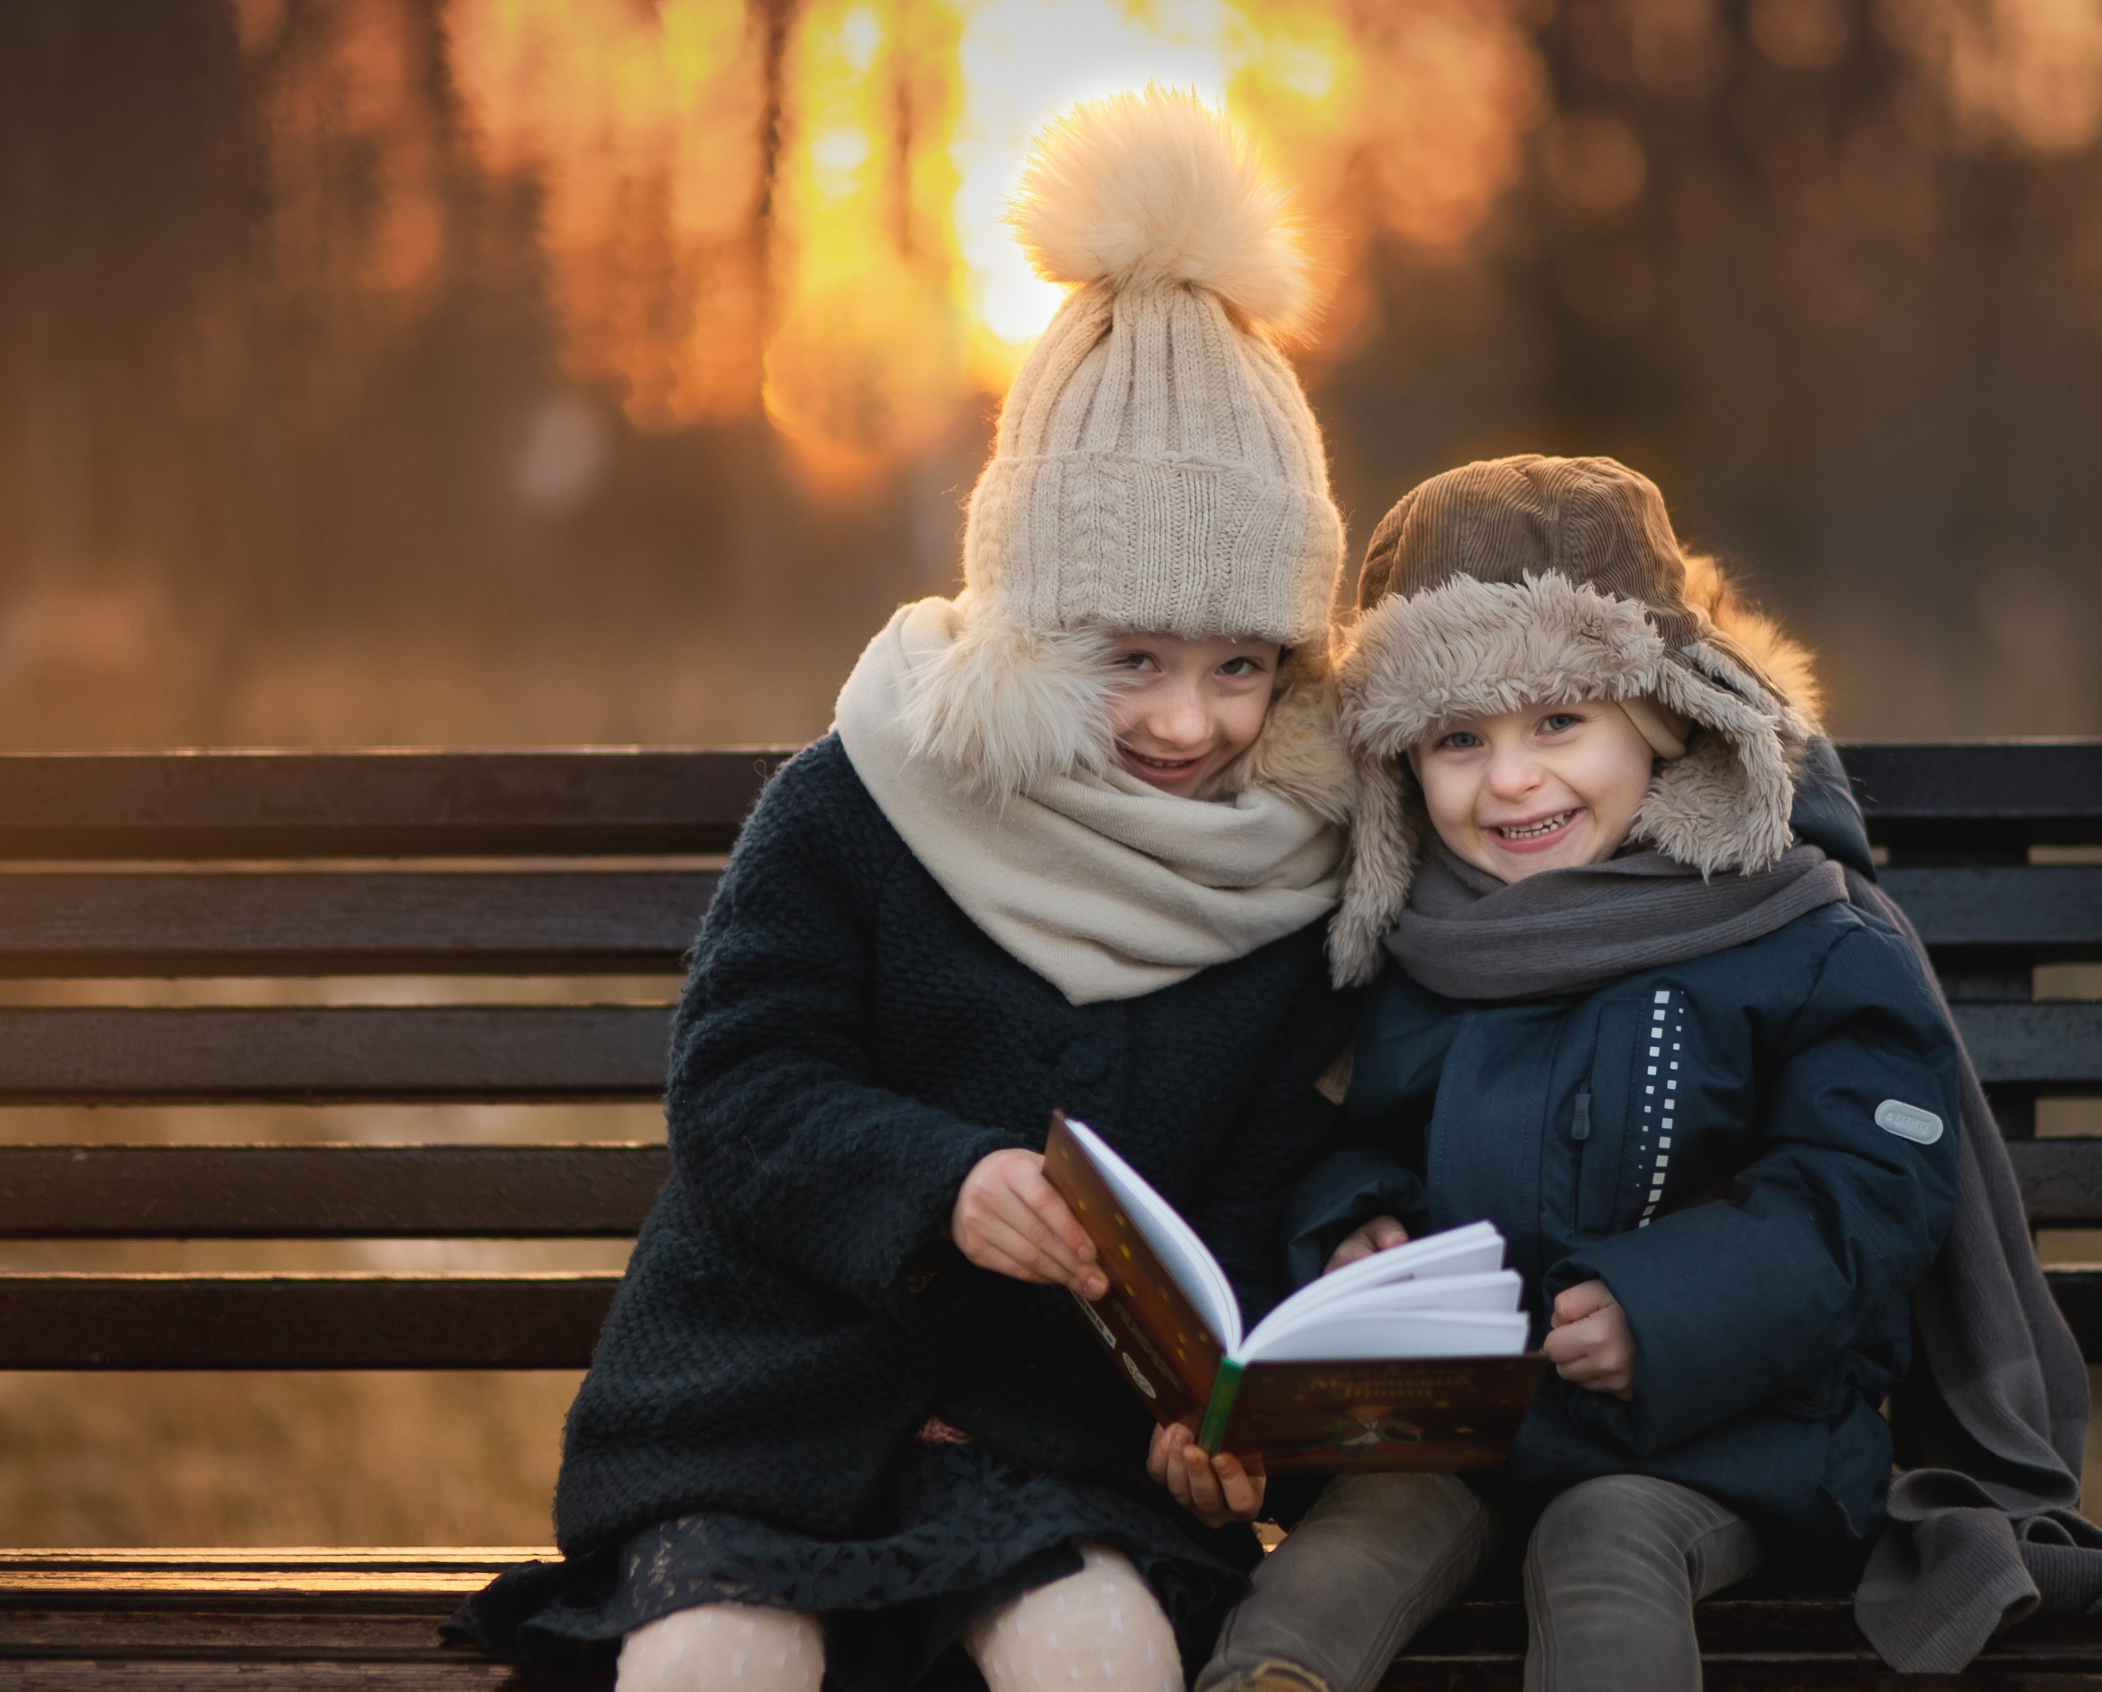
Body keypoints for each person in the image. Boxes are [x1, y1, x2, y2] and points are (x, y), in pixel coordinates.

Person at [446, 88, 1358, 1692]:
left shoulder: (1284, 873)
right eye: (1128, 657)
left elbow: (1266, 1188)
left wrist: (1215, 1420)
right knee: (721, 1654)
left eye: (1242, 665)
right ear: (1025, 617)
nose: (1188, 722)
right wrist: (938, 1178)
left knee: (1097, 1650)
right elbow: (741, 1084)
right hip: (771, 1411)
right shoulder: (863, 798)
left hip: (1054, 1447)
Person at [1194, 455, 1969, 1692]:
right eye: (1459, 739)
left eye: (1558, 721)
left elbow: (1867, 1187)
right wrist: (1356, 1227)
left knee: (1603, 1552)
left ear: (1660, 721)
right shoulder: (1424, 942)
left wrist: (1664, 1312)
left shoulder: (1797, 934)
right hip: (1459, 1434)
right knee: (1341, 1556)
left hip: (1719, 1440)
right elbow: (1361, 1136)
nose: (1511, 779)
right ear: (1405, 766)